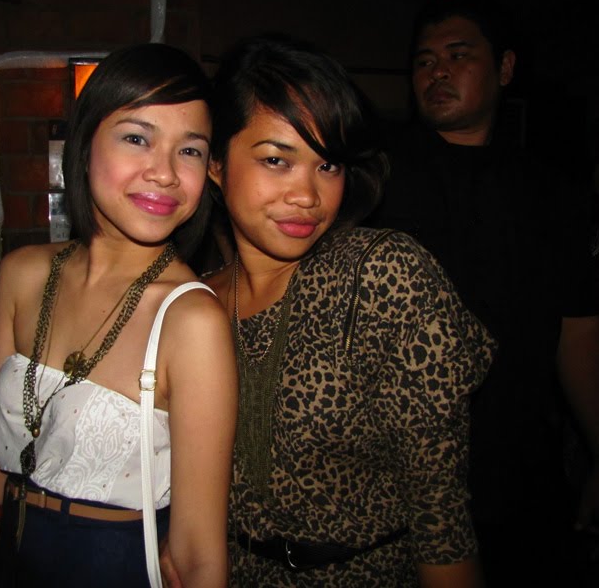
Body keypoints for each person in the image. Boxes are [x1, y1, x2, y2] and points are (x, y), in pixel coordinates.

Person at [165, 35, 496, 587]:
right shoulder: (192, 304)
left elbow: (441, 519)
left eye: (328, 165)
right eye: (277, 160)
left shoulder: (380, 276)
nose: (307, 195)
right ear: (217, 163)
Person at [0, 42, 237, 588]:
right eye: (137, 138)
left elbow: (199, 552)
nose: (165, 173)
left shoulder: (191, 321)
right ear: (84, 145)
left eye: (190, 150)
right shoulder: (22, 273)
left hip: (113, 565)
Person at [367, 0, 599, 585]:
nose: (438, 72)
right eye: (424, 60)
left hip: (520, 472)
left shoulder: (551, 193)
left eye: (458, 55)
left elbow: (576, 331)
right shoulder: (376, 179)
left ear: (505, 67)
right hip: (394, 482)